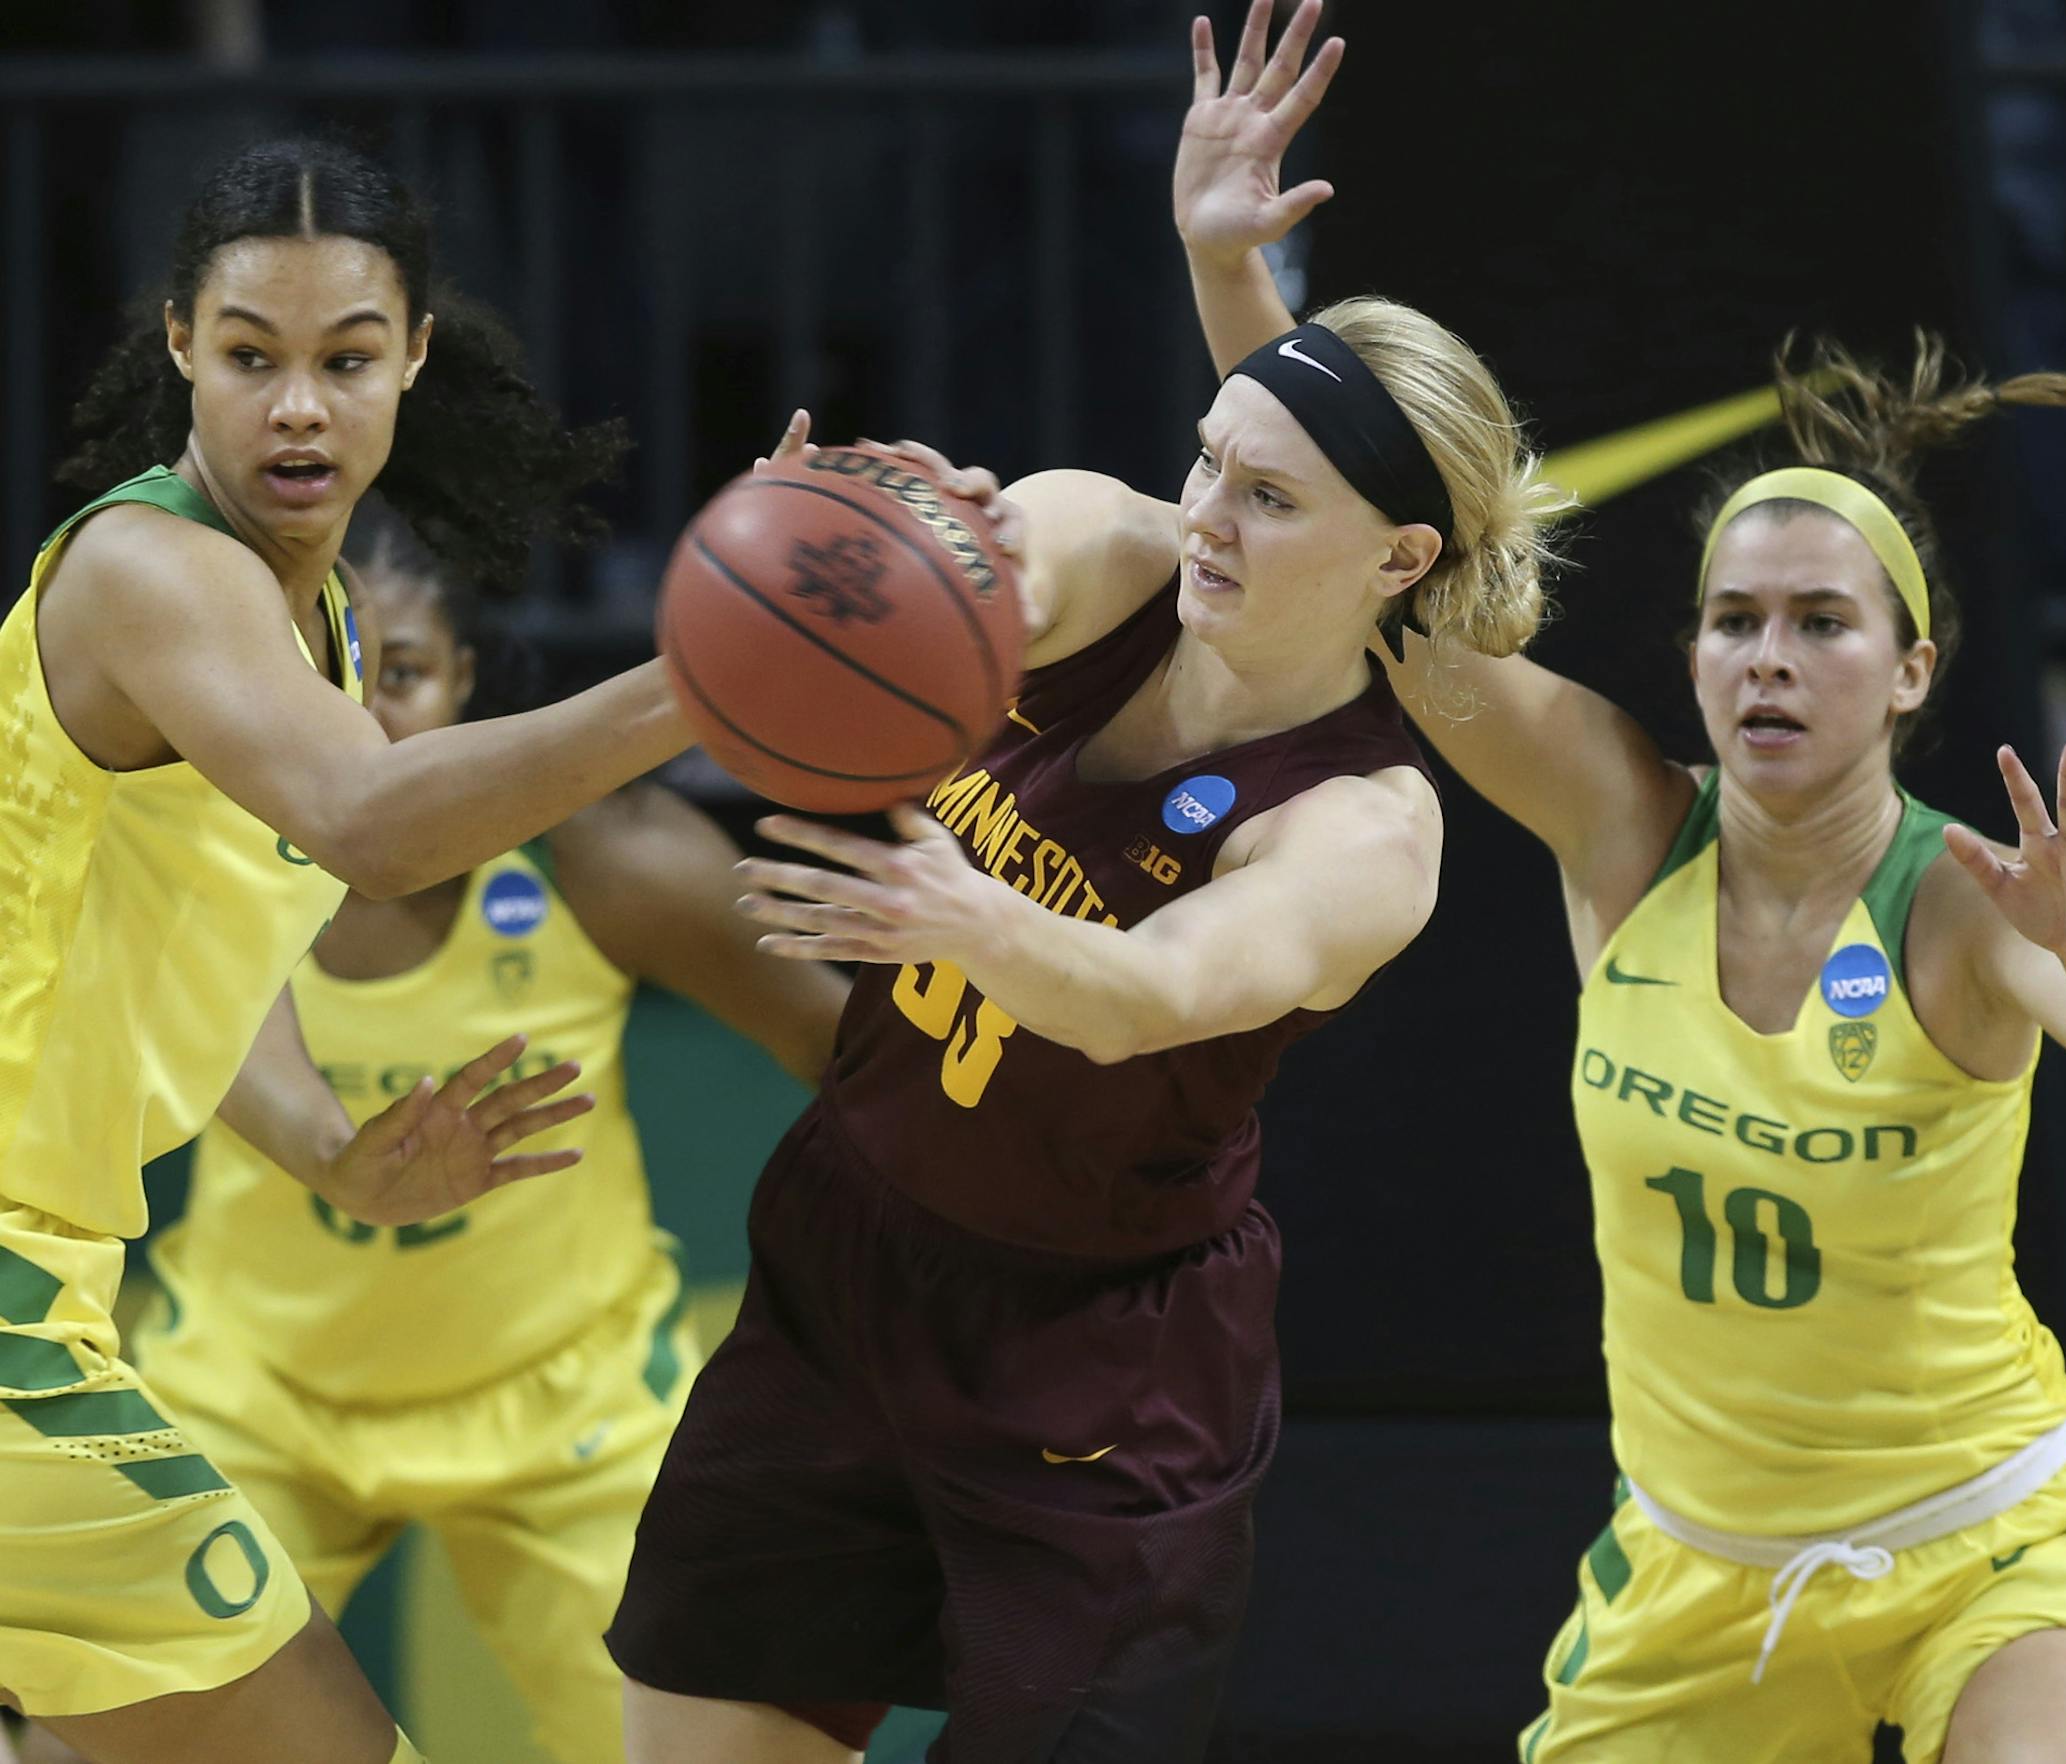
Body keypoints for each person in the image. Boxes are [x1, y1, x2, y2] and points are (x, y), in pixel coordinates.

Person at [1176, 12, 2066, 1761]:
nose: (1769, 659)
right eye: (1735, 620)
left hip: (1990, 1543)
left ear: (1913, 670)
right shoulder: (1626, 824)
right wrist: (1233, 271)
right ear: (1693, 655)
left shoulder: (1966, 900)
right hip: (1699, 1575)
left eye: (1820, 624)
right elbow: (1370, 568)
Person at [599, 8, 1565, 1760]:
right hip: (848, 1249)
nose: (1206, 508)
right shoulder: (1113, 546)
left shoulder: (1365, 826)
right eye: (1207, 456)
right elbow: (982, 560)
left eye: (1264, 496)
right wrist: (842, 569)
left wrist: (971, 914)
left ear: (1399, 559)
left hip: (1099, 1359)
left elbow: (1162, 991)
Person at [0, 136, 700, 1764]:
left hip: (56, 1271)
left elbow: (163, 947)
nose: (298, 405)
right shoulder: (148, 572)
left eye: (345, 359)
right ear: (178, 343)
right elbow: (374, 821)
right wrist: (709, 680)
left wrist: (332, 1147)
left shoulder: (304, 628)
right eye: (251, 357)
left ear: (415, 362)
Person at [105, 521, 849, 1764]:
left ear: (463, 687)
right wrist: (343, 1154)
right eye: (318, 675)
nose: (360, 717)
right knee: (103, 1734)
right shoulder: (188, 877)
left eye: (397, 674)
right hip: (255, 1394)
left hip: (571, 1405)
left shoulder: (607, 860)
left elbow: (846, 1054)